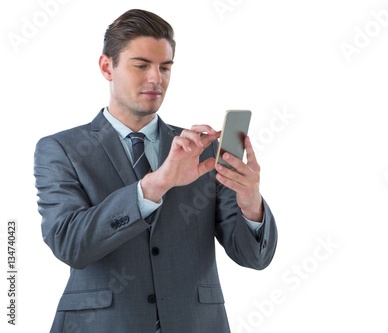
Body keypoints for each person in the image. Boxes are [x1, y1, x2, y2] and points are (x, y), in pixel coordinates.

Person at [34, 8, 278, 333]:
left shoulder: (202, 151)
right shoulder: (60, 149)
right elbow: (69, 244)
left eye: (165, 67)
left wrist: (251, 204)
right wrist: (153, 187)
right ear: (107, 66)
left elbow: (254, 259)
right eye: (141, 65)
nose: (156, 78)